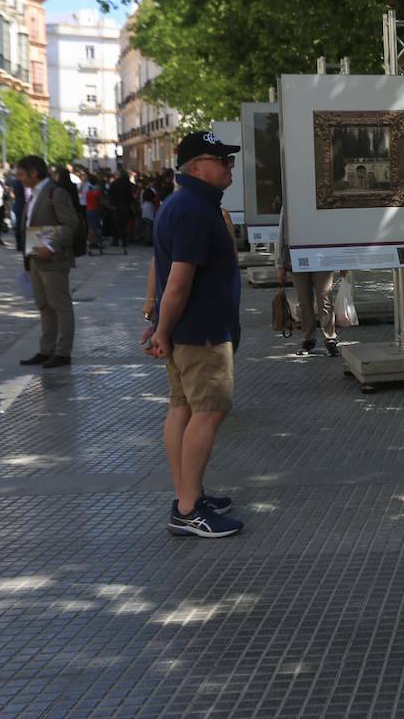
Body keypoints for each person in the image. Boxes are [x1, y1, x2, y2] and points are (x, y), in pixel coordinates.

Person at [143, 131, 244, 539]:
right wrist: (161, 329)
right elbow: (178, 283)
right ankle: (187, 509)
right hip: (201, 333)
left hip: (191, 329)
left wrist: (159, 325)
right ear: (197, 166)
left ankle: (189, 495)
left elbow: (164, 271)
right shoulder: (195, 210)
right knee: (208, 410)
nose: (229, 166)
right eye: (222, 159)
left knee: (182, 408)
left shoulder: (181, 204)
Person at [15, 155, 80, 368]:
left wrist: (51, 246)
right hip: (35, 259)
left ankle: (63, 352)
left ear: (34, 173)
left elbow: (71, 224)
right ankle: (47, 349)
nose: (19, 178)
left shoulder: (55, 192)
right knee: (44, 305)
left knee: (60, 305)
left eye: (22, 174)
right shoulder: (33, 194)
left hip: (54, 260)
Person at [275, 205, 340, 356]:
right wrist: (280, 264)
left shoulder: (321, 194)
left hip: (322, 256)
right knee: (304, 301)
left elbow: (334, 227)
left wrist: (339, 258)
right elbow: (281, 233)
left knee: (324, 299)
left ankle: (330, 339)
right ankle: (308, 339)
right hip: (297, 258)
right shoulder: (290, 200)